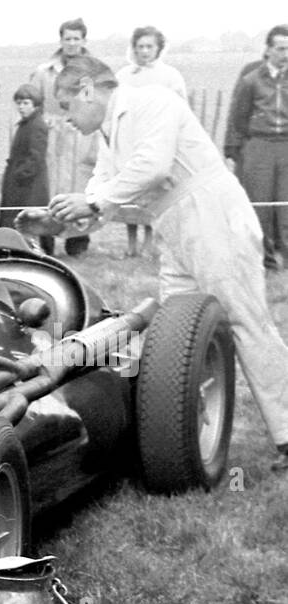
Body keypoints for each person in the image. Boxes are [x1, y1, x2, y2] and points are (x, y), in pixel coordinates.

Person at [48, 55, 288, 470]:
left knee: (246, 322)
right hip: (175, 225)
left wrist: (92, 201)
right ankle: (184, 437)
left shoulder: (152, 101)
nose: (66, 119)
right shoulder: (109, 130)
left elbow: (152, 168)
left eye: (67, 107)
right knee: (176, 338)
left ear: (87, 89)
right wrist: (69, 214)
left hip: (213, 214)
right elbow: (104, 188)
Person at [31, 19, 99, 257]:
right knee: (48, 187)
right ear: (61, 41)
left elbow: (93, 102)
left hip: (80, 135)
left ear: (84, 41)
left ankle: (77, 242)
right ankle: (45, 241)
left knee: (79, 187)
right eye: (67, 39)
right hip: (50, 136)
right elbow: (33, 101)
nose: (71, 43)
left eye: (76, 39)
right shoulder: (44, 71)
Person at [116, 26, 186, 256]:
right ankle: (131, 242)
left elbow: (180, 108)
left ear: (158, 49)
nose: (144, 51)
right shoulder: (124, 75)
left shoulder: (170, 76)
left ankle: (148, 241)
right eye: (140, 47)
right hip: (130, 141)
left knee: (151, 190)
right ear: (133, 48)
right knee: (130, 190)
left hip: (157, 139)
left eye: (149, 47)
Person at [225, 26, 288, 272]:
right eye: (281, 49)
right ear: (268, 50)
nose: (286, 54)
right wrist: (236, 148)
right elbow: (238, 117)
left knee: (285, 205)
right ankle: (264, 261)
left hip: (286, 145)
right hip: (259, 146)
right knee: (259, 204)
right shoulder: (251, 80)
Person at [0, 84, 49, 233]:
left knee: (29, 218)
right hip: (19, 180)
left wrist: (19, 174)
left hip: (29, 184)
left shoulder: (37, 125)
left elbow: (36, 157)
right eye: (19, 103)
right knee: (14, 218)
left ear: (36, 105)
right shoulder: (26, 124)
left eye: (26, 103)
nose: (21, 107)